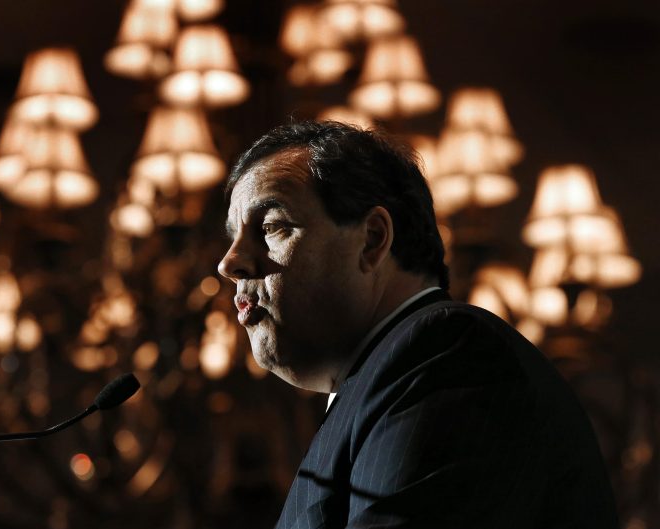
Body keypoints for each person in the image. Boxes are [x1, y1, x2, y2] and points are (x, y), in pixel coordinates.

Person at [217, 121, 618, 528]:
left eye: (270, 227)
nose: (229, 263)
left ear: (372, 239)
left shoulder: (444, 353)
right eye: (232, 238)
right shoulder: (381, 380)